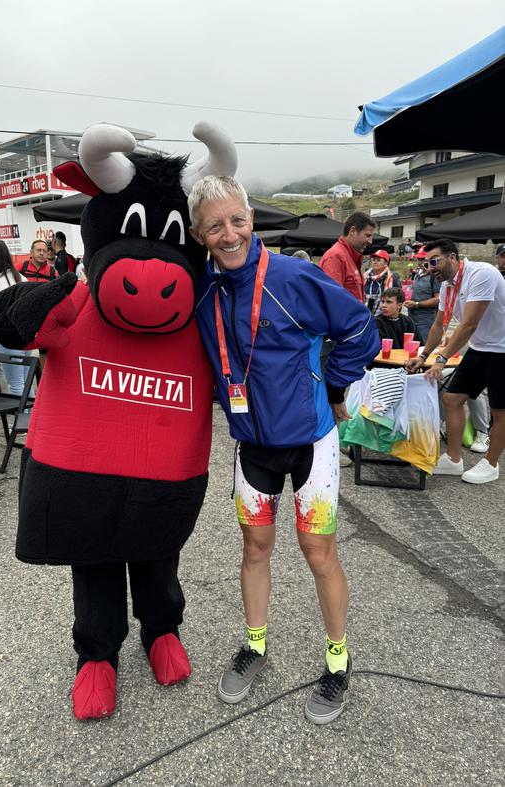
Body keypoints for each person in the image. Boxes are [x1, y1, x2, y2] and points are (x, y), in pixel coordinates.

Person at [189, 176, 380, 724]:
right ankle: (255, 645)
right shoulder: (202, 291)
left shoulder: (292, 277)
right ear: (199, 235)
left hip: (311, 441)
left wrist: (333, 385)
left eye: (237, 220)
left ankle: (338, 659)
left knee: (318, 552)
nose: (230, 234)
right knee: (255, 548)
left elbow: (361, 330)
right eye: (215, 226)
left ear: (251, 219)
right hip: (253, 445)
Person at [407, 239, 505, 484]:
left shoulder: (481, 274)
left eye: (434, 261)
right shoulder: (448, 285)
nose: (430, 268)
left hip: (502, 349)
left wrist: (441, 359)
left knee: (499, 410)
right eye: (427, 264)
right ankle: (453, 459)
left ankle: (491, 464)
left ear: (452, 257)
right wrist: (423, 357)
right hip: (480, 347)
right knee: (452, 399)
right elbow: (438, 325)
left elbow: (469, 323)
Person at [0, 238, 32, 396]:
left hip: (9, 338)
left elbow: (1, 314)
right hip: (26, 336)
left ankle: (21, 413)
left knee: (15, 384)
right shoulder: (20, 277)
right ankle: (30, 412)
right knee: (27, 382)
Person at [320, 212, 376, 302]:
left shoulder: (350, 257)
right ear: (352, 231)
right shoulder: (336, 257)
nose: (370, 241)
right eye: (368, 235)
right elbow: (332, 300)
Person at [403, 247, 441, 342]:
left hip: (426, 322)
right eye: (419, 259)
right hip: (412, 320)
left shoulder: (434, 276)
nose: (420, 262)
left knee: (423, 347)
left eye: (423, 259)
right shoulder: (417, 274)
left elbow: (438, 299)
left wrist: (417, 304)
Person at [364, 249, 400, 314]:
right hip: (364, 314)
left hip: (382, 316)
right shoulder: (365, 277)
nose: (375, 262)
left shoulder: (391, 278)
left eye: (378, 260)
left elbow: (398, 300)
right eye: (373, 260)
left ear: (386, 263)